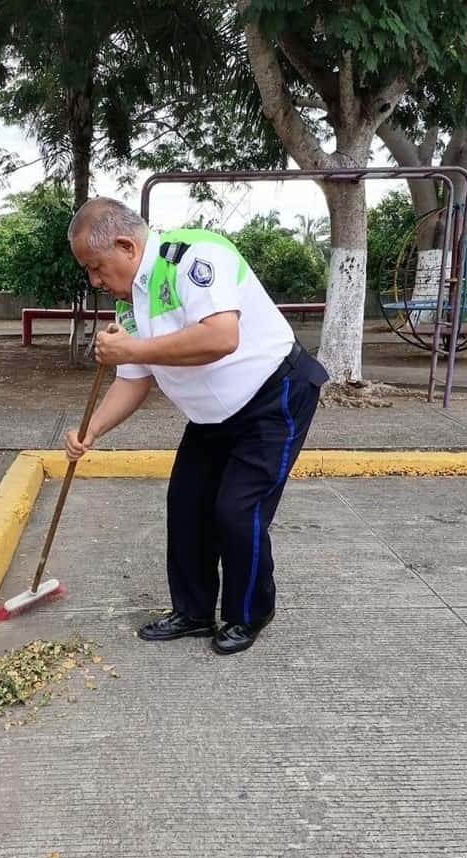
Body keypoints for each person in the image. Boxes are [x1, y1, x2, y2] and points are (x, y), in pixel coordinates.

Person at [66, 198, 328, 655]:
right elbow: (134, 380)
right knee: (186, 504)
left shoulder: (194, 258)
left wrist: (132, 351)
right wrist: (92, 431)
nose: (94, 280)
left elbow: (220, 336)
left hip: (273, 397)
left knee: (236, 509)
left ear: (126, 246)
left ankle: (249, 613)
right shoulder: (132, 303)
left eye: (96, 267)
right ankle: (192, 611)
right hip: (212, 416)